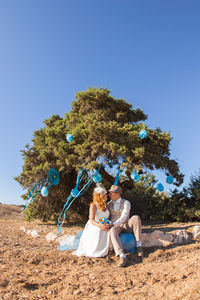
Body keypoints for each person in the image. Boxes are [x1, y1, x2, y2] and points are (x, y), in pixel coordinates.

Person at [107, 185, 143, 267]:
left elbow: (124, 216)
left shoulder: (126, 202)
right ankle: (122, 256)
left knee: (136, 217)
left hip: (125, 225)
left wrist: (114, 223)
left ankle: (139, 246)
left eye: (111, 193)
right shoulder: (109, 204)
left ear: (117, 194)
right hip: (116, 227)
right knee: (112, 230)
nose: (109, 195)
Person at [73, 186, 111, 257]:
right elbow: (91, 219)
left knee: (109, 230)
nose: (107, 195)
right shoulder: (93, 205)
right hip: (94, 225)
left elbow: (107, 217)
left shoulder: (106, 205)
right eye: (105, 194)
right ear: (101, 196)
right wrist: (99, 225)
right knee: (100, 230)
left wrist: (108, 223)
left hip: (104, 224)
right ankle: (97, 250)